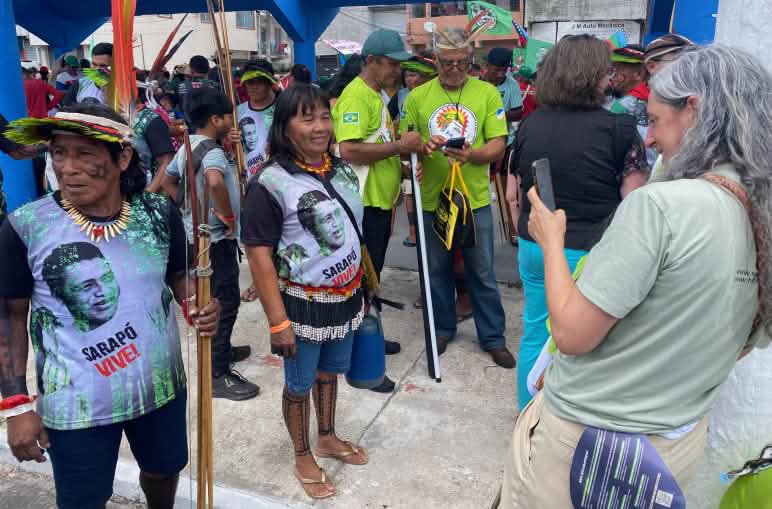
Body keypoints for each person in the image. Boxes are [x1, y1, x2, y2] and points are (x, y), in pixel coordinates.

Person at [500, 44, 772, 508]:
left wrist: (550, 239)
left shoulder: (662, 206)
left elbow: (571, 334)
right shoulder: (758, 215)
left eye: (656, 119)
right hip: (675, 445)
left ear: (695, 110)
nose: (648, 139)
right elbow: (743, 343)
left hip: (589, 446)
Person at [0, 103, 221, 509]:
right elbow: (9, 315)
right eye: (58, 154)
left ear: (122, 157)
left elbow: (178, 275)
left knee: (163, 468)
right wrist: (16, 405)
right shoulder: (25, 227)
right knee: (84, 498)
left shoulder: (157, 214)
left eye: (84, 154)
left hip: (160, 386)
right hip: (76, 402)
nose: (67, 168)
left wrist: (197, 305)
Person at [242, 84, 369, 500]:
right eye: (306, 118)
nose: (319, 127)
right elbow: (259, 256)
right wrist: (278, 321)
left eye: (324, 117)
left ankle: (328, 437)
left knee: (330, 371)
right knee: (298, 384)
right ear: (284, 126)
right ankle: (301, 454)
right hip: (301, 305)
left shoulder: (341, 168)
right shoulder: (270, 182)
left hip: (346, 297)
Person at [510, 34, 649, 410]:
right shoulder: (619, 130)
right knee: (578, 344)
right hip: (584, 252)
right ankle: (560, 421)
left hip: (532, 243)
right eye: (607, 70)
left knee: (536, 330)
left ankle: (527, 415)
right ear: (597, 76)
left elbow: (517, 188)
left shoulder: (530, 123)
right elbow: (637, 204)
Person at [400, 27, 515, 368]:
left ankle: (493, 336)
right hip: (432, 199)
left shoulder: (487, 94)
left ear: (471, 60)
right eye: (447, 62)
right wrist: (421, 149)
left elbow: (498, 142)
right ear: (434, 60)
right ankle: (442, 328)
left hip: (475, 199)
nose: (454, 69)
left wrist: (474, 155)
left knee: (482, 271)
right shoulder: (417, 98)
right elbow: (406, 147)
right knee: (436, 270)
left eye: (462, 62)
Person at [332, 29, 424, 393]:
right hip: (364, 205)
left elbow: (378, 147)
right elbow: (349, 150)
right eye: (392, 64)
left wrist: (400, 164)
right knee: (360, 278)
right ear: (370, 61)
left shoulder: (378, 97)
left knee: (370, 278)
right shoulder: (357, 97)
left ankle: (369, 333)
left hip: (380, 203)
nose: (398, 71)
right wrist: (401, 145)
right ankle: (361, 354)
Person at [162, 87, 259, 401]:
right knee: (225, 300)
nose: (231, 120)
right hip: (215, 240)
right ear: (215, 119)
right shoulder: (214, 152)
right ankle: (217, 372)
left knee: (213, 296)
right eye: (227, 116)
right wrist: (227, 215)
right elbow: (215, 181)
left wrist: (187, 207)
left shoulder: (189, 144)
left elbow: (168, 179)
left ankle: (223, 350)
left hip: (195, 235)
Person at [387, 53, 436, 247]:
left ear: (424, 76)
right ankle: (414, 233)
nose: (410, 79)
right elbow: (388, 120)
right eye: (407, 75)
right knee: (410, 192)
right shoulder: (399, 96)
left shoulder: (433, 94)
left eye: (414, 74)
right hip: (408, 152)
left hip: (433, 153)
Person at [606, 45, 656, 166]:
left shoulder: (623, 106)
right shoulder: (656, 99)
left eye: (617, 71)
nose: (612, 77)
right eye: (612, 70)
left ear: (639, 74)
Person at [236, 61, 277, 179]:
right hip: (252, 180)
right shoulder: (238, 112)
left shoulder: (283, 107)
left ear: (270, 82)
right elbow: (234, 150)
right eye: (250, 82)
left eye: (260, 81)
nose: (255, 87)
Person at [134, 81, 176, 194]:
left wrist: (149, 194)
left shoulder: (150, 119)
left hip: (144, 197)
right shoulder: (109, 116)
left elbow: (167, 161)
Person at [484, 47, 523, 147]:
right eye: (496, 70)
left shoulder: (512, 85)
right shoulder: (476, 83)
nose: (500, 75)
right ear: (487, 65)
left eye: (504, 70)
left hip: (503, 142)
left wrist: (494, 116)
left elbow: (518, 113)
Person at [177, 56, 218, 125]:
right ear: (208, 69)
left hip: (192, 125)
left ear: (191, 70)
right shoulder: (215, 85)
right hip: (212, 124)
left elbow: (182, 107)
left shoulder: (184, 86)